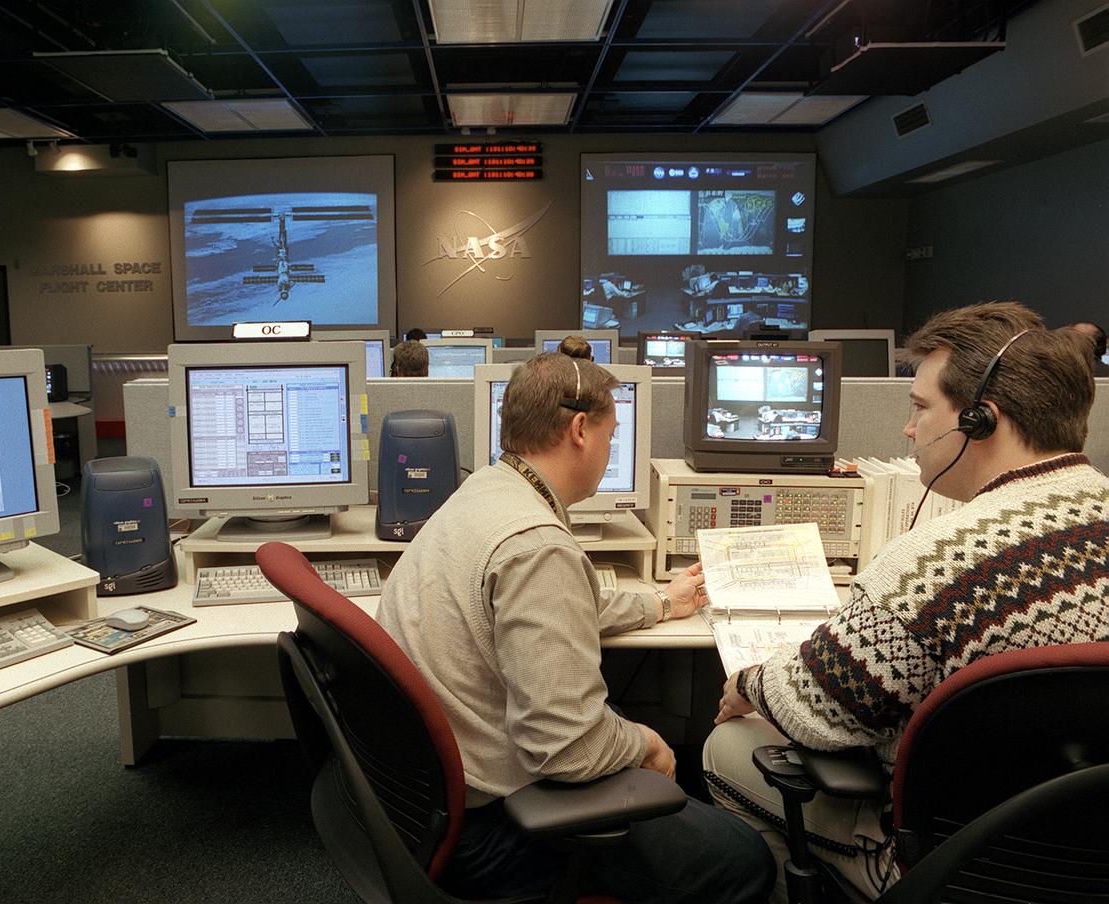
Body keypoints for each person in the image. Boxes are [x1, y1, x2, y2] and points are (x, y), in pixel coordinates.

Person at [703, 301, 1109, 901]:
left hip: (949, 864)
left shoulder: (931, 566)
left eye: (920, 408)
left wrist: (750, 682)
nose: (908, 429)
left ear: (979, 420)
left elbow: (818, 707)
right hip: (1091, 859)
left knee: (726, 746)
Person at [377, 353, 775, 903]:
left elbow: (553, 609)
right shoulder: (535, 545)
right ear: (580, 430)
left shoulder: (489, 492)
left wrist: (661, 603)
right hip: (496, 828)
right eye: (612, 437)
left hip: (428, 797)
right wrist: (646, 743)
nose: (611, 451)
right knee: (743, 859)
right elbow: (564, 748)